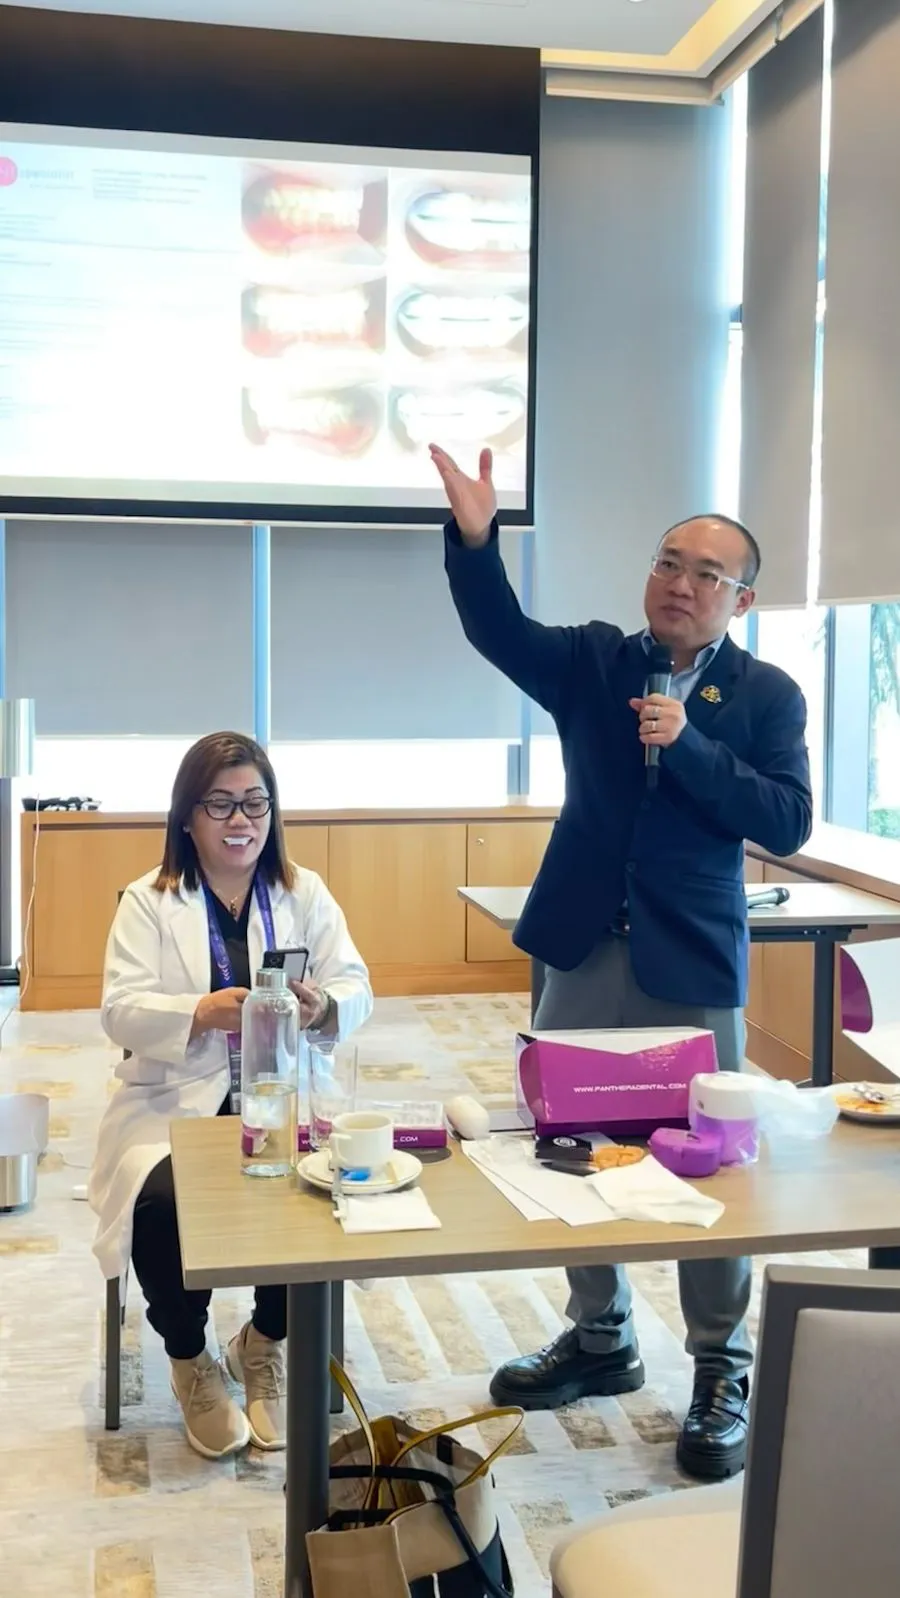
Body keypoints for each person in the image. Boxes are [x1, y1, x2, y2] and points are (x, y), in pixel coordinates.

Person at [430, 442, 813, 1482]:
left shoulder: (768, 696)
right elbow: (497, 628)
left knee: (711, 1162)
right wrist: (475, 538)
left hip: (690, 957)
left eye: (706, 573)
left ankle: (720, 1365)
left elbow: (786, 817)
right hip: (582, 942)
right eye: (668, 562)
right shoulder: (596, 660)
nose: (680, 584)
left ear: (742, 599)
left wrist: (689, 743)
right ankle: (600, 1336)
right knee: (567, 1141)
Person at [89, 732, 373, 1460]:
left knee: (314, 1192)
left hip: (283, 1095)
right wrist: (198, 1013)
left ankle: (265, 1341)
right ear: (188, 817)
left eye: (254, 803)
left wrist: (325, 1007)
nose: (240, 820)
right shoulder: (149, 901)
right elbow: (118, 1010)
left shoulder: (303, 892)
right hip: (175, 1102)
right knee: (162, 1205)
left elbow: (357, 986)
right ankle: (190, 1358)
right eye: (219, 804)